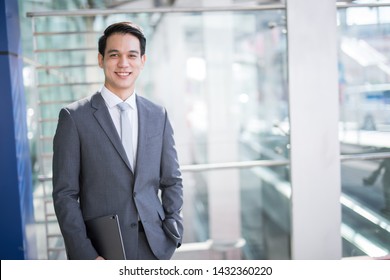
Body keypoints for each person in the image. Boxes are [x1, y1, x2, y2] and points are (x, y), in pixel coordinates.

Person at [52, 21, 183, 260]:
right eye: (114, 55)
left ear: (143, 61)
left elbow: (172, 180)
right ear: (101, 59)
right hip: (103, 249)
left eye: (132, 55)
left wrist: (173, 228)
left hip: (155, 246)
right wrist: (86, 254)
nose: (123, 63)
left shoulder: (158, 115)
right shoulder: (74, 118)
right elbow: (65, 195)